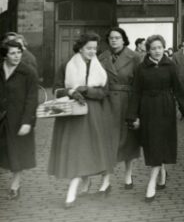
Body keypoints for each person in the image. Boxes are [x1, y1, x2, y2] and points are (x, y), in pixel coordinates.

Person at [47, 32, 115, 207]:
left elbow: (104, 92)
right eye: (88, 48)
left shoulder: (100, 68)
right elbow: (56, 89)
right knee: (77, 150)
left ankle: (79, 186)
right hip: (72, 114)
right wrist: (71, 91)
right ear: (80, 48)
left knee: (90, 149)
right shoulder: (66, 66)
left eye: (94, 48)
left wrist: (87, 91)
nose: (92, 52)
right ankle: (77, 186)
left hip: (94, 114)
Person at [127, 34, 184, 202]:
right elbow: (135, 92)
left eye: (160, 48)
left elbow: (178, 89)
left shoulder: (170, 66)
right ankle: (162, 171)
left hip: (165, 109)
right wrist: (132, 114)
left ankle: (151, 183)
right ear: (148, 50)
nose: (157, 51)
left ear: (164, 48)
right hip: (147, 109)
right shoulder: (141, 68)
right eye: (153, 48)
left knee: (160, 143)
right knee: (152, 144)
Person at [98, 27, 142, 190]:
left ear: (124, 40)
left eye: (117, 37)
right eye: (111, 38)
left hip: (127, 103)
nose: (114, 40)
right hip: (108, 103)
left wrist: (137, 111)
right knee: (108, 142)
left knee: (129, 141)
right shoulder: (102, 57)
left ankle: (128, 174)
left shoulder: (135, 57)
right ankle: (106, 180)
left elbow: (138, 85)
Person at [0, 40, 38, 199]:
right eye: (12, 53)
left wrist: (27, 122)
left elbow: (32, 99)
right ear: (4, 55)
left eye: (19, 52)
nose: (17, 56)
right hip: (1, 117)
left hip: (18, 119)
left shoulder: (28, 72)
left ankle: (15, 185)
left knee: (17, 153)